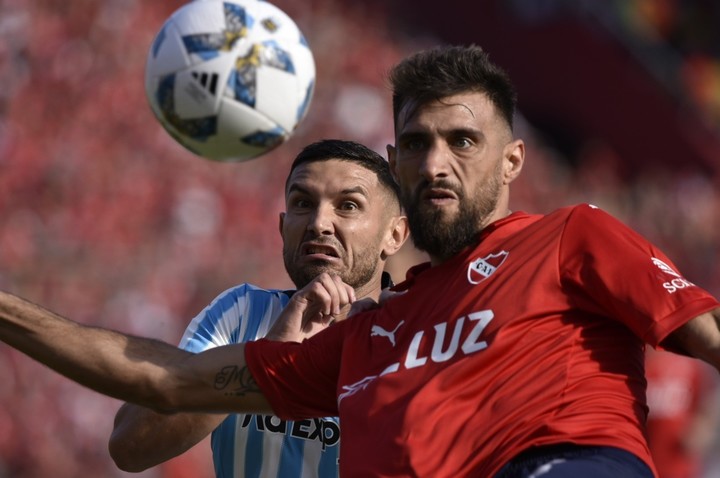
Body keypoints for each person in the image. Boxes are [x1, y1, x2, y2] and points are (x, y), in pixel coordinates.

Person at [1, 45, 719, 477]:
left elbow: (709, 337)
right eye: (415, 143)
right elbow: (157, 381)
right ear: (396, 161)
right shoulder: (365, 337)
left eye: (462, 141)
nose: (436, 162)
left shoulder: (568, 236)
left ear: (511, 160)